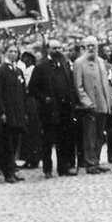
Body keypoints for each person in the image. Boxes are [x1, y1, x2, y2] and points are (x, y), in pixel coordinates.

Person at [28, 38, 78, 178]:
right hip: (49, 110)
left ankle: (63, 168)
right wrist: (44, 99)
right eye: (54, 48)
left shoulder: (64, 64)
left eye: (59, 48)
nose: (57, 51)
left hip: (64, 109)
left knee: (64, 139)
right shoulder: (41, 66)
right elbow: (32, 87)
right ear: (48, 49)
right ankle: (48, 169)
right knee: (48, 141)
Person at [72, 35, 112, 174]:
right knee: (89, 135)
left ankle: (96, 161)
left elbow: (106, 84)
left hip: (102, 103)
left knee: (100, 135)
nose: (91, 48)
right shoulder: (79, 63)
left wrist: (109, 102)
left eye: (93, 46)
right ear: (84, 47)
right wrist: (86, 102)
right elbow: (78, 86)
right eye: (88, 46)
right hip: (89, 105)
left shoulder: (101, 61)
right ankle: (89, 163)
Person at [0, 44, 28, 183]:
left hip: (18, 113)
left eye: (15, 52)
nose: (13, 54)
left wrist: (24, 111)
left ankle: (13, 168)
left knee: (15, 142)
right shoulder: (0, 71)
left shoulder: (18, 71)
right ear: (5, 53)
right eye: (10, 51)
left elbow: (23, 92)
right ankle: (8, 172)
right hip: (8, 113)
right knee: (7, 144)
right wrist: (2, 112)